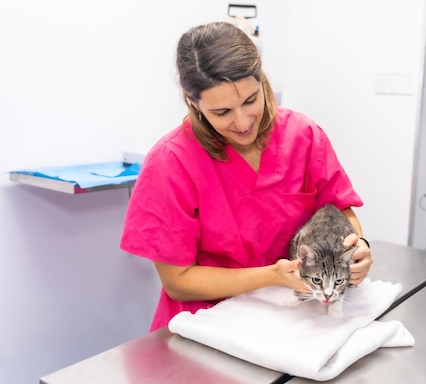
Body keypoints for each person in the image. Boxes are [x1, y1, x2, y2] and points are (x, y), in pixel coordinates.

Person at [120, 21, 373, 331]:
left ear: (262, 79)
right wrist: (272, 275)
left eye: (250, 100)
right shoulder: (170, 163)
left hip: (290, 316)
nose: (242, 122)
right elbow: (178, 281)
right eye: (222, 112)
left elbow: (340, 210)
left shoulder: (303, 135)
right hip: (206, 325)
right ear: (193, 103)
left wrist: (356, 246)